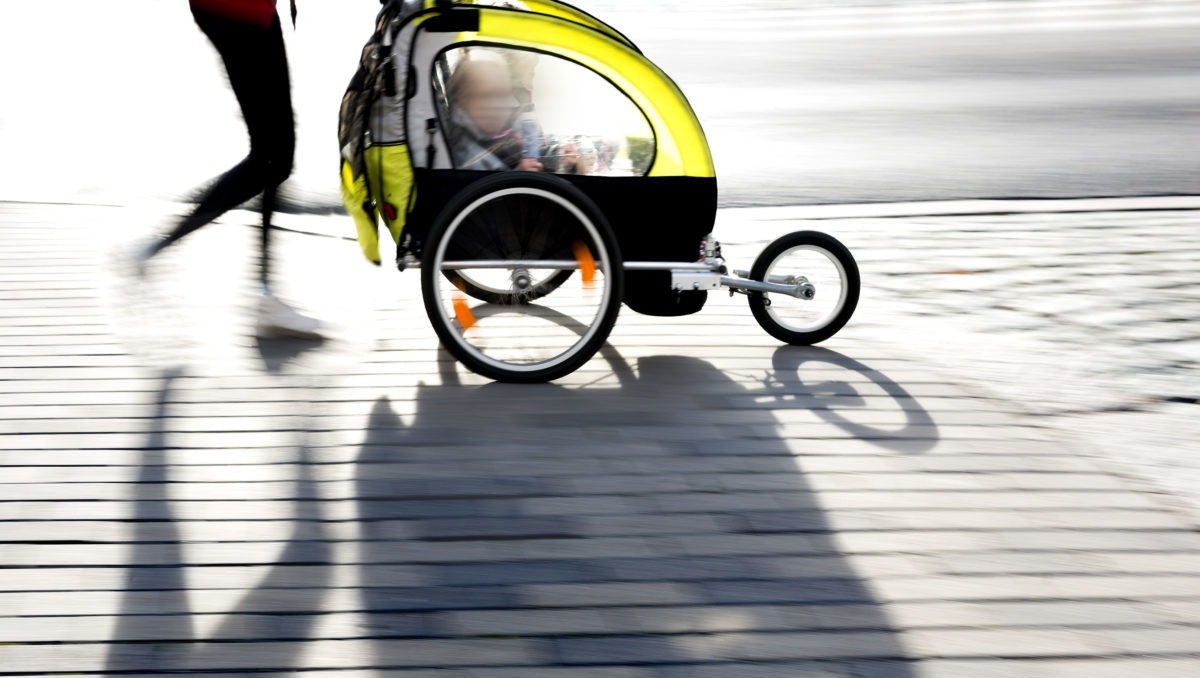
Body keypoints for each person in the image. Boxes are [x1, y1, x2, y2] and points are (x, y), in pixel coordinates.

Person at [135, 0, 320, 340]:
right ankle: (153, 249)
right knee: (272, 157)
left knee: (273, 156)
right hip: (243, 11)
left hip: (232, 11)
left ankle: (263, 295)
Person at [446, 52, 543, 173]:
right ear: (461, 101)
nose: (497, 105)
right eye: (485, 96)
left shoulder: (506, 126)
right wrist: (516, 175)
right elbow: (480, 188)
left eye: (503, 95)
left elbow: (536, 141)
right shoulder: (464, 153)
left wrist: (559, 154)